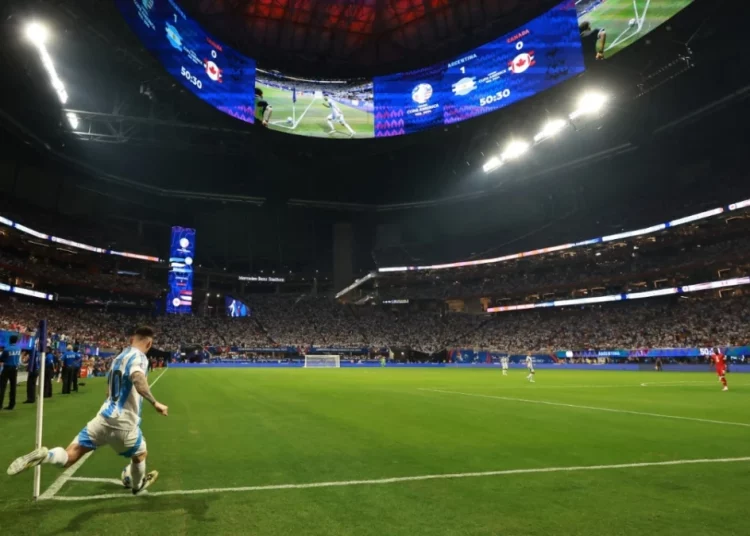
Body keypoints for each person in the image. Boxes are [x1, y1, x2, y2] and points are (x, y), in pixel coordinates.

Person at [7, 326, 168, 495]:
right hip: (124, 422)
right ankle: (137, 486)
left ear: (130, 340)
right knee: (140, 454)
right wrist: (155, 402)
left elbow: (108, 390)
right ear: (149, 343)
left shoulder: (119, 357)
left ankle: (46, 455)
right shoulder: (140, 357)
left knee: (70, 456)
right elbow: (137, 377)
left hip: (103, 417)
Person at [0, 335, 23, 410]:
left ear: (10, 340)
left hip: (7, 368)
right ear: (16, 341)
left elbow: (2, 359)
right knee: (13, 387)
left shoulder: (7, 349)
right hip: (14, 369)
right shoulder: (18, 349)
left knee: (2, 387)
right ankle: (12, 404)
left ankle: (0, 404)